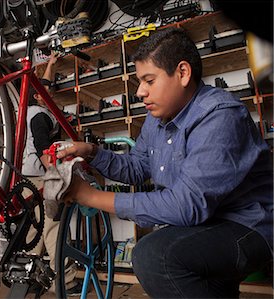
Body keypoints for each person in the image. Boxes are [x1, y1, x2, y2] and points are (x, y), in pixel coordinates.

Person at [55, 27, 273, 298]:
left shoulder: (220, 116)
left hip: (247, 226)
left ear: (182, 73)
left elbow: (186, 206)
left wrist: (89, 196)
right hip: (206, 225)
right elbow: (137, 168)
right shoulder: (156, 120)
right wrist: (91, 152)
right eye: (139, 83)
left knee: (154, 256)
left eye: (149, 80)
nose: (141, 92)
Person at [22, 52, 80, 295]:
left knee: (35, 229)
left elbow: (43, 86)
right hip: (41, 175)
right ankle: (65, 281)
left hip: (26, 177)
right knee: (53, 226)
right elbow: (43, 147)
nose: (51, 95)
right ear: (38, 96)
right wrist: (57, 176)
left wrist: (51, 65)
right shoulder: (40, 115)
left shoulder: (26, 112)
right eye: (47, 93)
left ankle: (27, 274)